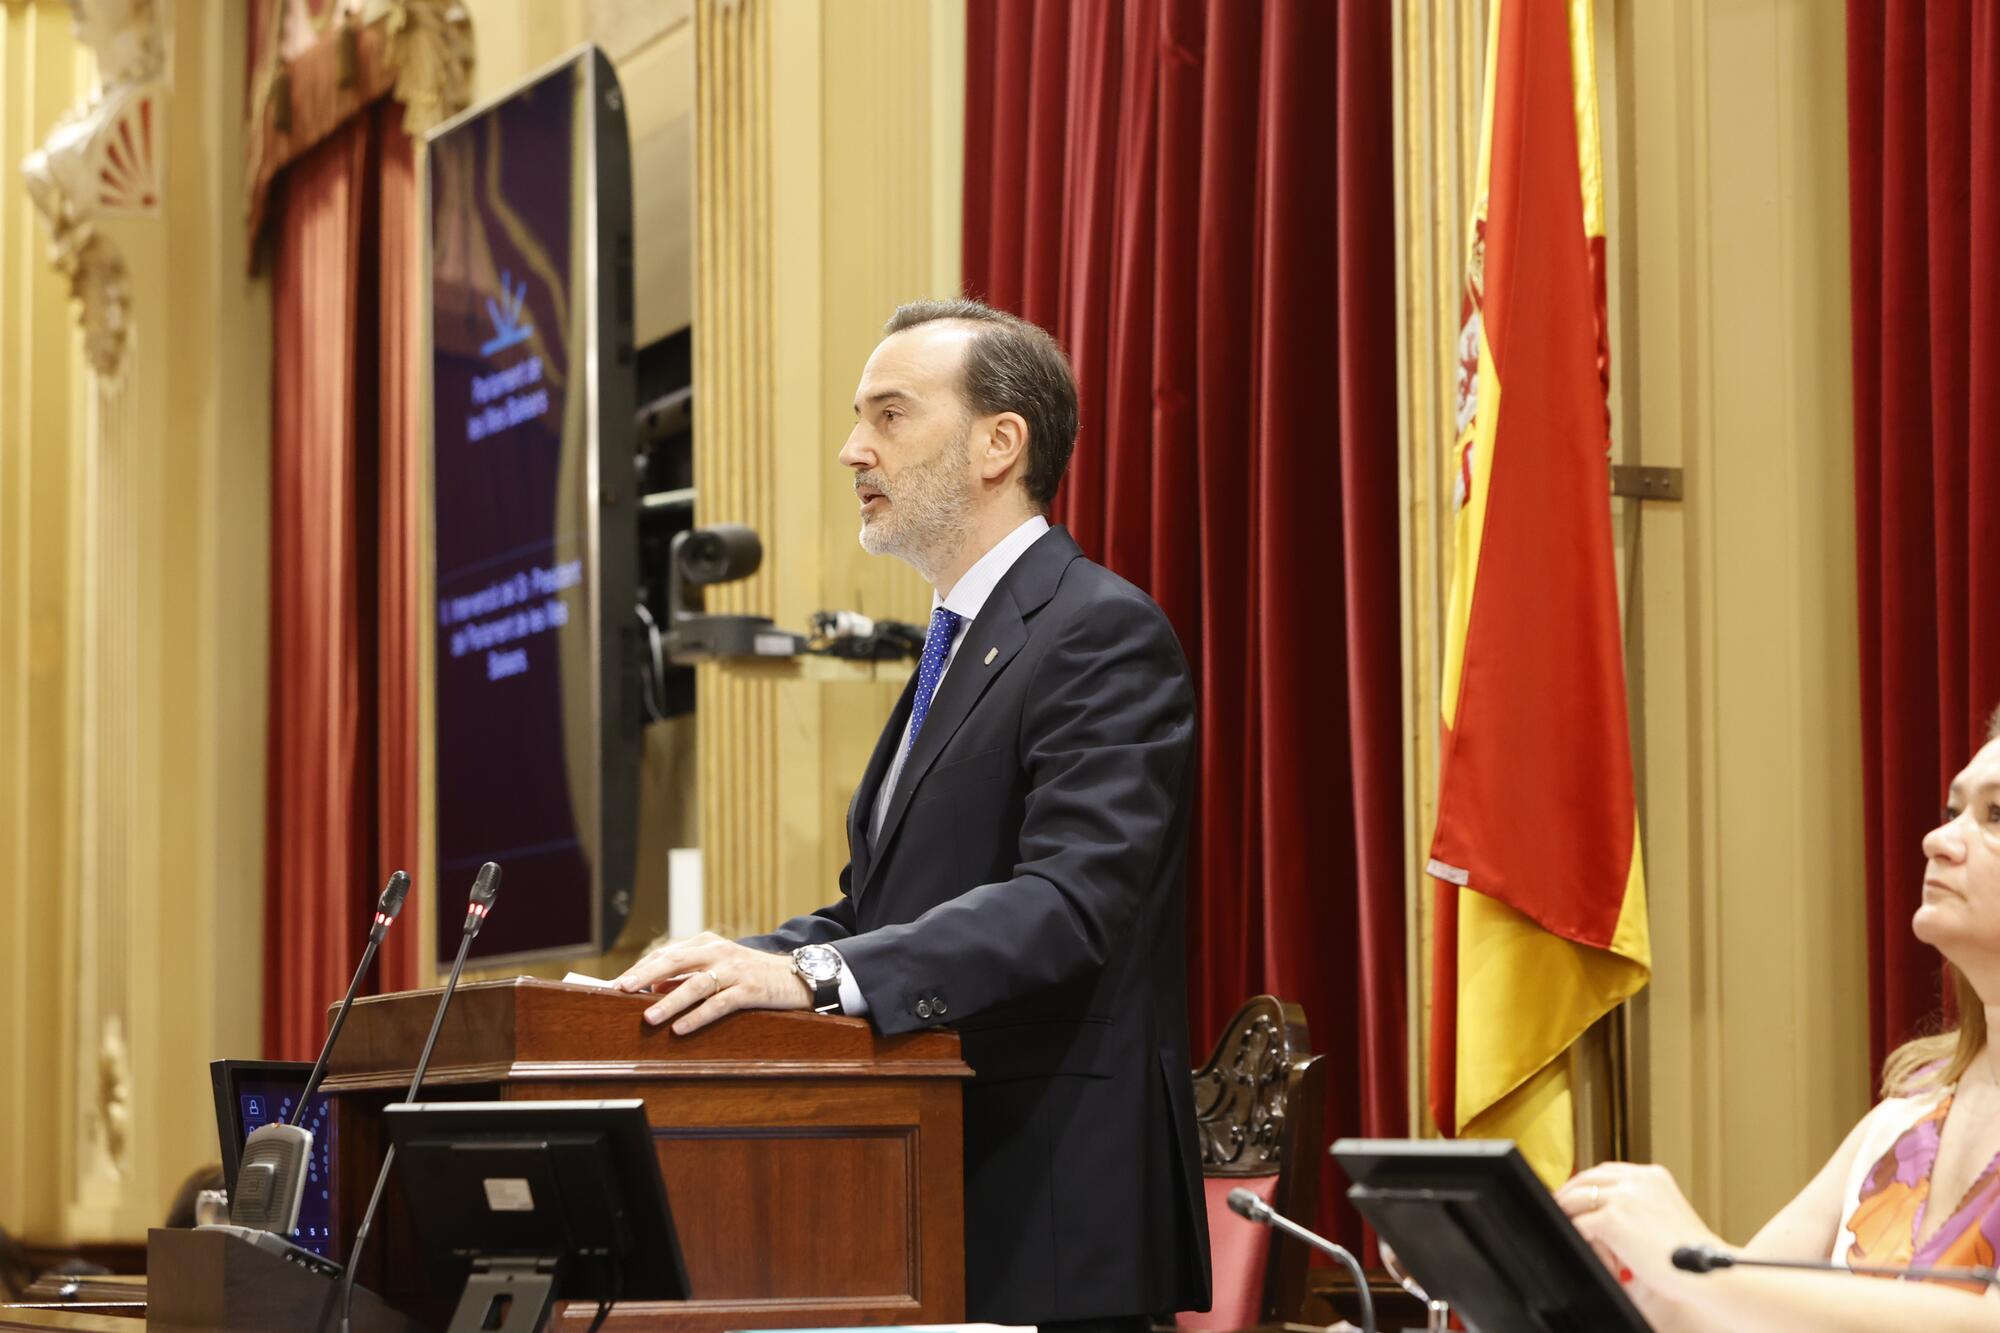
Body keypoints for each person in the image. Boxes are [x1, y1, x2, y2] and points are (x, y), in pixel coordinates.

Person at [615, 299, 1212, 1329]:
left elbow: (1068, 903)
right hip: (926, 1198)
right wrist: (731, 962)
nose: (853, 449)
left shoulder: (1098, 631)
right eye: (857, 417)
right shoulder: (954, 645)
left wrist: (806, 977)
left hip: (1051, 1219)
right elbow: (878, 911)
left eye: (889, 415)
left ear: (998, 443)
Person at [1554, 720, 2000, 1330]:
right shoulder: (1908, 1114)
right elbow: (1721, 1316)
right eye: (1952, 810)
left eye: (1996, 816)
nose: (1938, 839)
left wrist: (1694, 1265)